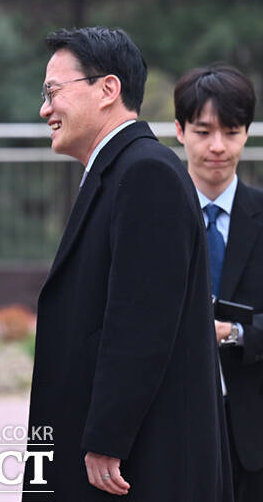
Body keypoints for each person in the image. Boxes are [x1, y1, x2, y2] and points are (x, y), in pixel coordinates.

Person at [23, 27, 232, 501]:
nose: (45, 109)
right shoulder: (122, 169)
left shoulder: (145, 172)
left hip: (135, 464)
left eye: (53, 92)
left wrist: (107, 439)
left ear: (107, 89)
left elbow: (141, 323)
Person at [174, 64, 263, 502]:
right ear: (179, 130)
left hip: (251, 430)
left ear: (247, 134)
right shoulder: (153, 217)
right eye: (203, 131)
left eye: (231, 132)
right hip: (171, 424)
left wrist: (234, 332)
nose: (217, 147)